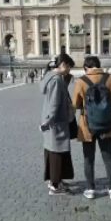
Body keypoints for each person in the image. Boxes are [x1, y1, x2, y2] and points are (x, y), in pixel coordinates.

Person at [73, 56, 111, 200]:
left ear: (86, 67)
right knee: (108, 156)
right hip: (107, 123)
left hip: (87, 124)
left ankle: (90, 189)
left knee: (88, 158)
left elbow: (76, 104)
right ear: (99, 66)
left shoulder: (81, 81)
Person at [40, 54, 76, 195]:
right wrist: (49, 121)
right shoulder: (56, 81)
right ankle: (54, 185)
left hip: (52, 121)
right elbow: (54, 103)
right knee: (57, 152)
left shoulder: (51, 77)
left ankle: (56, 180)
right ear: (63, 65)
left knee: (53, 150)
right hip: (56, 121)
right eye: (68, 67)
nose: (69, 70)